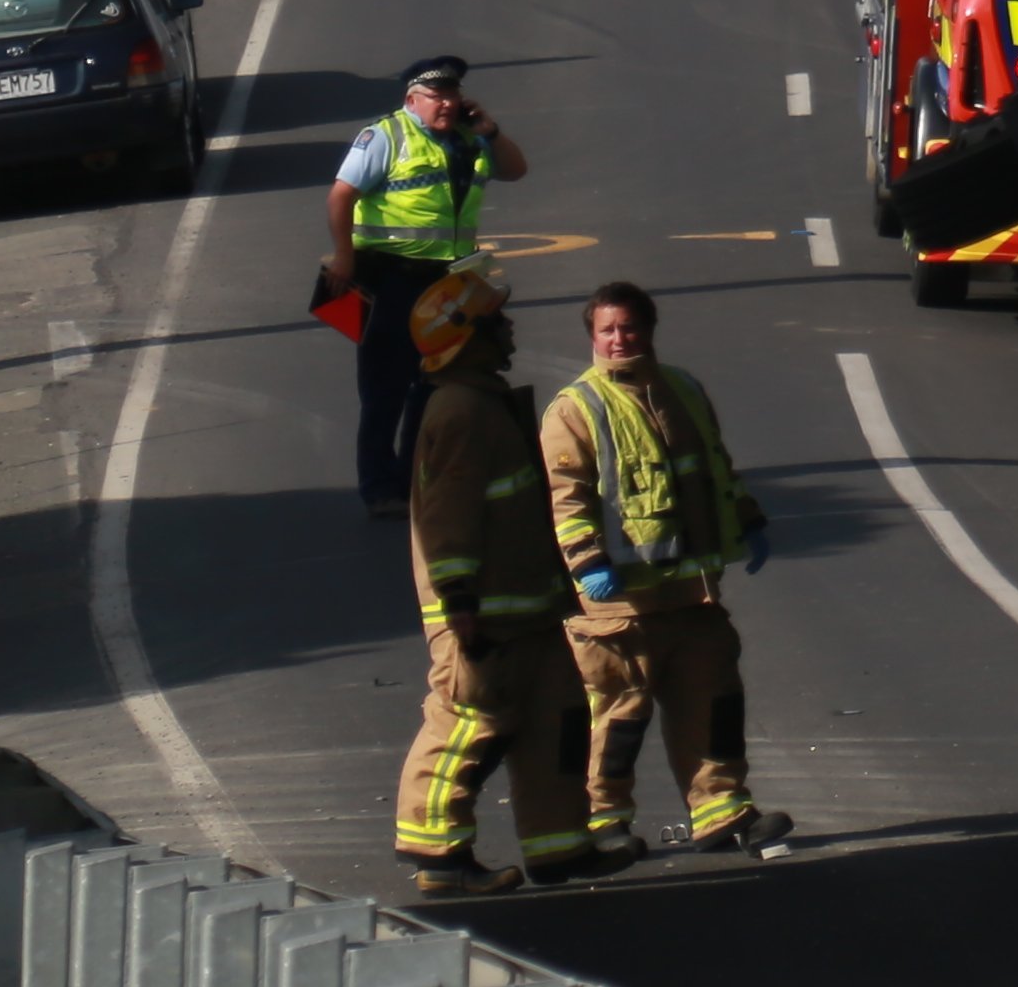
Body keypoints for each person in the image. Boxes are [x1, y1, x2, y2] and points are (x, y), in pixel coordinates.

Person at [539, 279, 793, 862]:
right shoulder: (575, 409)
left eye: (629, 327)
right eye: (608, 330)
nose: (619, 338)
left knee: (715, 704)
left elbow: (714, 465)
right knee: (619, 719)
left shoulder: (683, 389)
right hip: (618, 607)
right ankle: (604, 823)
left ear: (648, 330)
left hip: (690, 595)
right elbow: (566, 498)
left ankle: (722, 812)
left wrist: (747, 518)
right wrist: (587, 566)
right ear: (592, 338)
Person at [392, 269, 608, 898]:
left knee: (556, 722)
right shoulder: (459, 410)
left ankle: (559, 848)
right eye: (495, 321)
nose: (508, 329)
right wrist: (459, 604)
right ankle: (437, 853)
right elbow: (447, 515)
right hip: (484, 614)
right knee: (468, 721)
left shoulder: (481, 401)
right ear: (467, 338)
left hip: (529, 610)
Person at [322, 57, 528, 518]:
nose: (448, 104)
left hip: (450, 279)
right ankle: (380, 488)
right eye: (438, 96)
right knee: (384, 388)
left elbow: (516, 170)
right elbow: (340, 196)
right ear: (411, 99)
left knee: (434, 384)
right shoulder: (385, 136)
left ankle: (418, 477)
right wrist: (343, 255)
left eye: (453, 95)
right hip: (389, 276)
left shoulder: (468, 138)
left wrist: (490, 132)